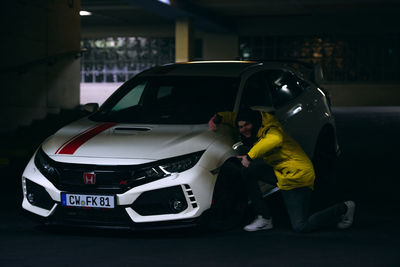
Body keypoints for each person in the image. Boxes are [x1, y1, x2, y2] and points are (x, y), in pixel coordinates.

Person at [208, 108, 355, 232]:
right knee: (248, 171)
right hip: (280, 171)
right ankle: (264, 218)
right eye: (240, 127)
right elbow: (233, 117)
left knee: (300, 226)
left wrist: (249, 156)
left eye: (246, 125)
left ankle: (345, 207)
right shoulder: (253, 121)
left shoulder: (271, 129)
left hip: (297, 176)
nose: (243, 129)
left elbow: (275, 139)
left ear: (254, 122)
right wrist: (217, 118)